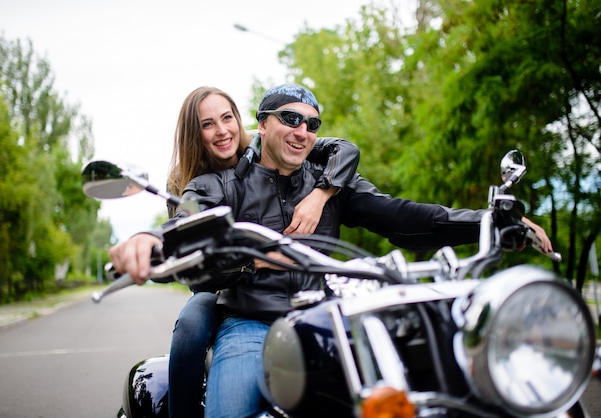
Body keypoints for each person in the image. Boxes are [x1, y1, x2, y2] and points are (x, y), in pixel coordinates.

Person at [109, 84, 552, 417]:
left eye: (311, 123)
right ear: (262, 125)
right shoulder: (219, 185)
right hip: (250, 324)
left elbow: (407, 217)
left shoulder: (331, 183)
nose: (302, 131)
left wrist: (490, 221)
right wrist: (150, 242)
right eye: (290, 119)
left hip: (325, 324)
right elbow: (186, 224)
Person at [162, 86, 361, 418]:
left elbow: (344, 148)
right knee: (193, 320)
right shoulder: (183, 182)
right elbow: (190, 254)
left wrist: (321, 194)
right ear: (193, 134)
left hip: (281, 292)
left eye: (227, 118)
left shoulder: (263, 144)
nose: (222, 131)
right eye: (207, 124)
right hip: (228, 283)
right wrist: (254, 261)